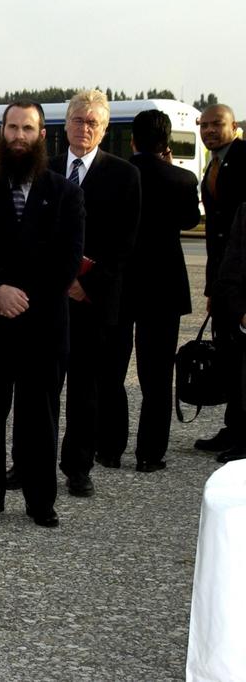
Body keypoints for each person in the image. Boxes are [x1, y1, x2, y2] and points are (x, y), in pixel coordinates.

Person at [0, 102, 83, 529]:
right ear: (2, 132)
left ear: (42, 135)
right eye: (12, 127)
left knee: (39, 417)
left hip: (42, 324)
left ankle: (40, 500)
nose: (18, 136)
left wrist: (24, 296)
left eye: (28, 128)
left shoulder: (65, 193)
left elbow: (67, 261)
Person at [50, 89, 140, 496]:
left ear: (104, 129)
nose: (84, 128)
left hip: (92, 299)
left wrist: (85, 284)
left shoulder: (124, 175)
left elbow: (125, 243)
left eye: (93, 122)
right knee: (40, 387)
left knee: (86, 390)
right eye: (78, 120)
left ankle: (78, 466)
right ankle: (31, 460)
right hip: (48, 299)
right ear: (65, 123)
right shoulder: (46, 169)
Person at [104, 109, 200, 471]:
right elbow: (190, 220)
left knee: (112, 369)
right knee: (157, 375)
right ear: (167, 142)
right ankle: (150, 453)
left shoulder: (116, 174)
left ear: (132, 139)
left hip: (122, 281)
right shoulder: (182, 179)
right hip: (163, 284)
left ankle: (110, 447)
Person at [195, 104, 246, 462]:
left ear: (235, 126)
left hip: (242, 279)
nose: (210, 130)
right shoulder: (213, 165)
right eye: (205, 125)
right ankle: (234, 427)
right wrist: (214, 288)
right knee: (230, 356)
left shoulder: (243, 158)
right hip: (225, 279)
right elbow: (214, 235)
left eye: (217, 124)